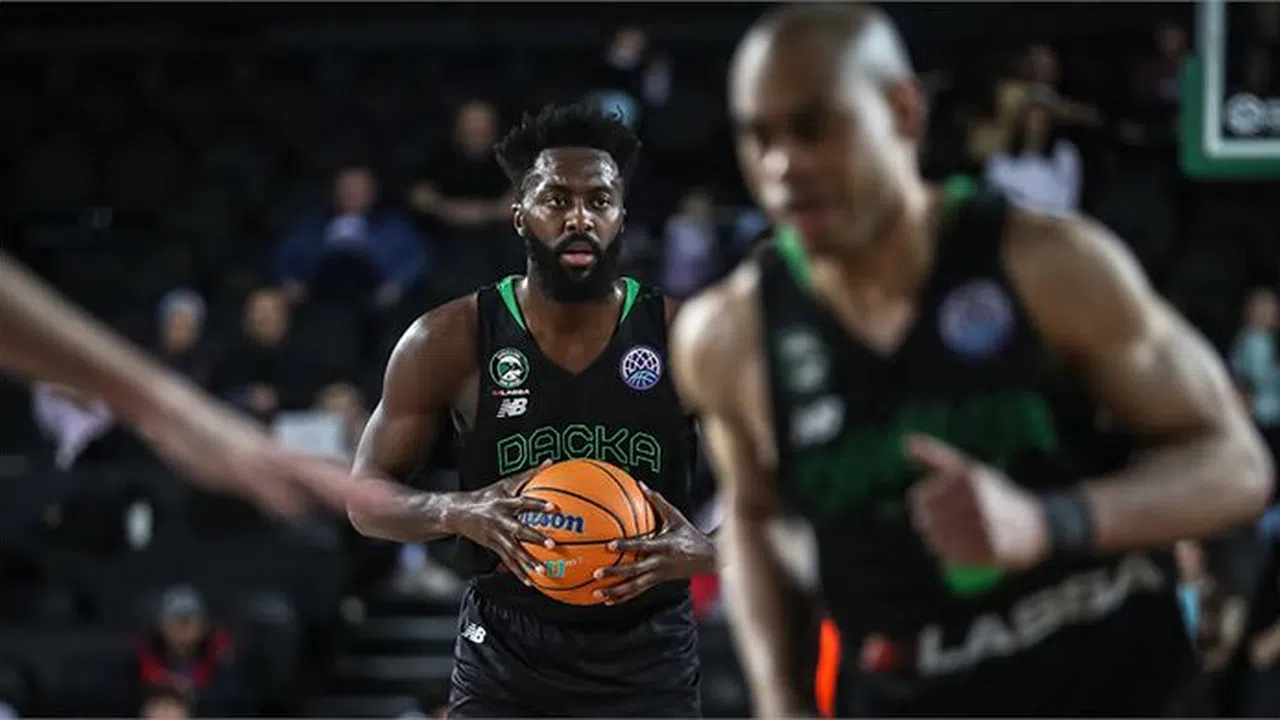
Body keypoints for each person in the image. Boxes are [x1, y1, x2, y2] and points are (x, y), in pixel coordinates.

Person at [671, 4, 1273, 716]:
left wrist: (1048, 520)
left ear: (904, 111)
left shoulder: (1048, 264)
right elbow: (756, 516)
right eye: (758, 136)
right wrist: (782, 700)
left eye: (815, 127)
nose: (782, 165)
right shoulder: (729, 338)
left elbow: (1237, 467)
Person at [346, 103, 714, 717]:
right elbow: (364, 499)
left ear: (622, 218)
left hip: (648, 652)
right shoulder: (449, 338)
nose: (579, 217)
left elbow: (788, 491)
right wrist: (457, 510)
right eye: (556, 200)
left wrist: (708, 553)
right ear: (519, 214)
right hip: (506, 654)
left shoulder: (686, 337)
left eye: (599, 201)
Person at [0, 251, 398, 521]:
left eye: (272, 315)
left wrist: (171, 409)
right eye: (258, 315)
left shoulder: (304, 355)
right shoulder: (227, 356)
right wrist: (171, 409)